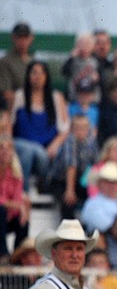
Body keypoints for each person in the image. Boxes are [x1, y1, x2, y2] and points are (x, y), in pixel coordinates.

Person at [12, 60, 69, 191]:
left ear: (47, 76)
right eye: (34, 73)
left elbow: (64, 129)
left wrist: (54, 146)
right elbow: (9, 124)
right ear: (28, 75)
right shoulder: (20, 96)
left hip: (47, 150)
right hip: (21, 145)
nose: (38, 77)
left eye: (42, 73)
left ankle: (45, 185)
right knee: (28, 150)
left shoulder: (56, 97)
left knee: (39, 153)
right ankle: (22, 191)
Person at [0, 23, 35, 108]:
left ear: (31, 39)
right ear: (13, 38)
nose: (22, 41)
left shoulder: (34, 62)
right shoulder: (5, 62)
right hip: (15, 108)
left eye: (25, 37)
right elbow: (6, 93)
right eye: (19, 37)